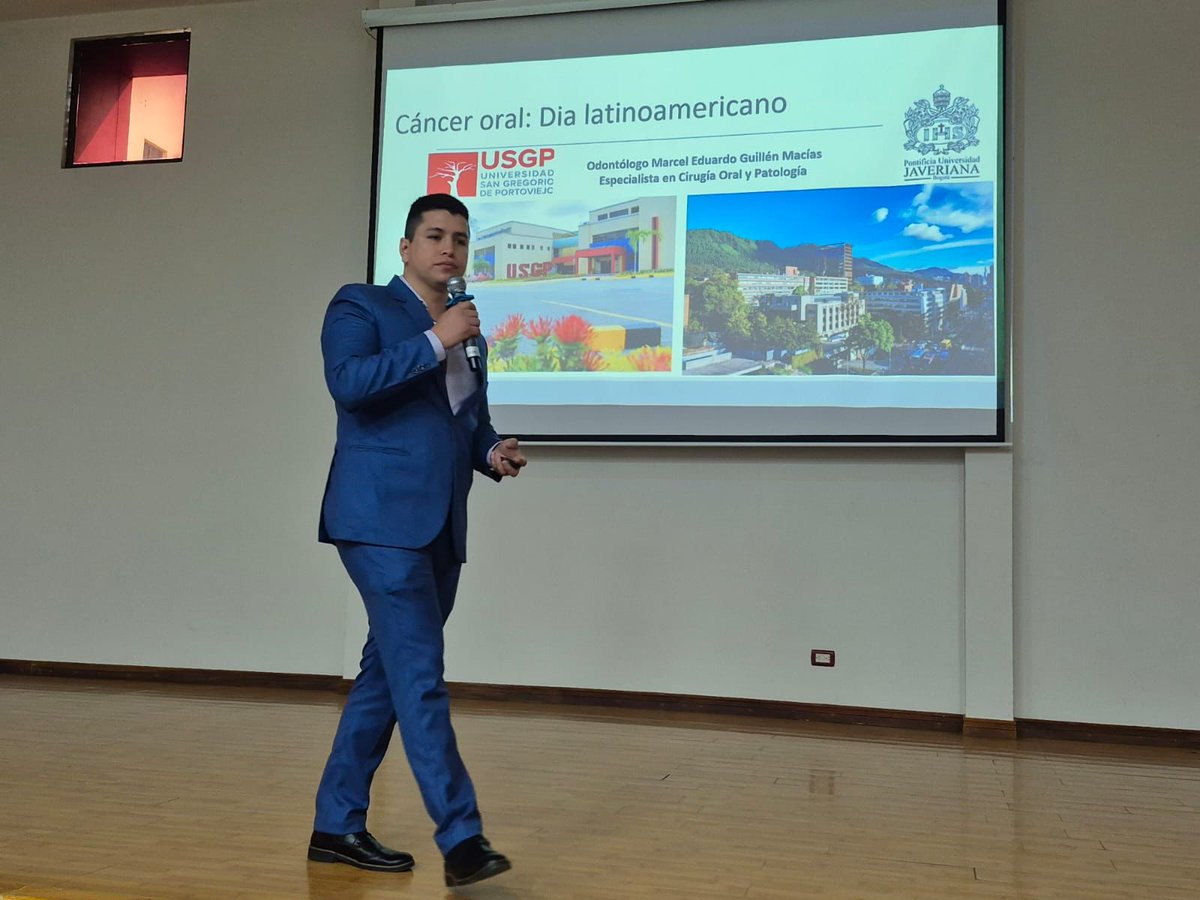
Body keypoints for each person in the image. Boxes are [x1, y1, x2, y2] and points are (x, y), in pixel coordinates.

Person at [307, 193, 526, 887]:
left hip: (441, 524)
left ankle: (336, 825)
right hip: (377, 521)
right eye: (435, 236)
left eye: (460, 240)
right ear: (405, 248)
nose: (449, 250)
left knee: (387, 676)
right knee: (421, 674)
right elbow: (350, 384)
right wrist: (435, 339)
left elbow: (467, 423)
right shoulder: (361, 306)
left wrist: (491, 452)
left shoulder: (472, 335)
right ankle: (462, 839)